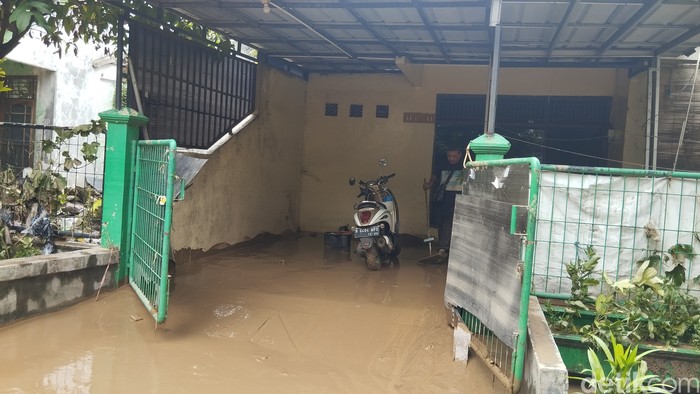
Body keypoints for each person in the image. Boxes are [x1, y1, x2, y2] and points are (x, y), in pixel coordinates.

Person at [423, 146, 464, 255]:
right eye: (449, 156)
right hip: (442, 200)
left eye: (454, 156)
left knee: (448, 223)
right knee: (440, 224)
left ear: (460, 155)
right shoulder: (442, 164)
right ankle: (445, 247)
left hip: (457, 200)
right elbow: (434, 176)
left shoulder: (464, 166)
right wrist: (428, 185)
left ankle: (442, 248)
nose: (452, 158)